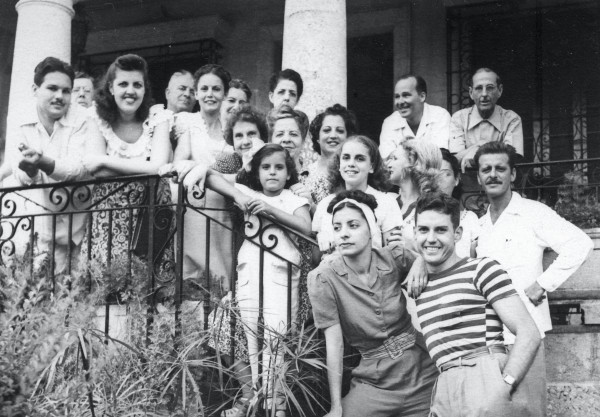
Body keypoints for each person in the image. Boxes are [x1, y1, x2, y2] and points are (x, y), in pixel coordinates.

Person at [474, 141, 594, 415]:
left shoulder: (533, 213)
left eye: (500, 168)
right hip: (488, 340)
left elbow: (580, 243)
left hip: (525, 336)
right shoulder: (479, 225)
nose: (493, 174)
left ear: (512, 174)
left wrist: (543, 284)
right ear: (479, 177)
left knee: (528, 411)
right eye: (486, 169)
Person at [201, 143, 311, 417]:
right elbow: (209, 175)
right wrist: (237, 194)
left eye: (279, 167)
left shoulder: (293, 198)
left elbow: (307, 227)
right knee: (249, 333)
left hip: (282, 273)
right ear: (257, 171)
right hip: (250, 271)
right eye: (265, 167)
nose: (272, 173)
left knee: (277, 336)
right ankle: (254, 401)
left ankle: (277, 405)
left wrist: (270, 211)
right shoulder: (248, 194)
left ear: (288, 174)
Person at [308, 190, 437, 417]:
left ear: (371, 229)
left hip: (421, 369)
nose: (344, 234)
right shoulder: (323, 278)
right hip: (375, 380)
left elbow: (440, 262)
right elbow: (335, 344)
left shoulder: (393, 257)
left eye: (353, 225)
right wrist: (335, 406)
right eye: (337, 228)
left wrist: (420, 262)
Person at [413, 191, 542, 416]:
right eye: (424, 229)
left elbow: (528, 332)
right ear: (415, 233)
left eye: (441, 230)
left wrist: (504, 385)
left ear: (457, 234)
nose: (431, 238)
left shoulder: (481, 269)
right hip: (444, 387)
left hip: (484, 377)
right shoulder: (420, 288)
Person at [5, 57, 101, 271]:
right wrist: (29, 171)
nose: (60, 96)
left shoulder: (84, 119)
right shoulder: (19, 121)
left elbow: (78, 168)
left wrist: (43, 163)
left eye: (66, 91)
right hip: (35, 225)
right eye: (52, 88)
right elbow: (19, 173)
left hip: (78, 227)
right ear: (35, 89)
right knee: (33, 291)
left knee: (75, 293)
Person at [81, 54, 173, 266]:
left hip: (150, 212)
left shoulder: (159, 117)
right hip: (109, 214)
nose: (130, 91)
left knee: (149, 280)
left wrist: (105, 161)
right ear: (111, 88)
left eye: (137, 85)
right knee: (107, 281)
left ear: (144, 89)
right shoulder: (97, 117)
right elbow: (97, 172)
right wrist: (144, 168)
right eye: (123, 84)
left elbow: (158, 166)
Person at [172, 64, 233, 285]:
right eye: (204, 88)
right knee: (195, 278)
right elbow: (179, 161)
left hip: (224, 209)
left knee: (224, 275)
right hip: (195, 207)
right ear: (196, 93)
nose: (210, 94)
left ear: (225, 94)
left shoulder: (232, 128)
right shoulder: (188, 123)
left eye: (216, 89)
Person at [313, 135, 402, 254]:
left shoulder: (386, 202)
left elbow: (392, 254)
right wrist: (321, 237)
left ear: (371, 166)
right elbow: (315, 257)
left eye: (360, 159)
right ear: (339, 165)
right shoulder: (325, 204)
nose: (351, 163)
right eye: (346, 158)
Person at [449, 68, 524, 171]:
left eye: (490, 88)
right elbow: (454, 161)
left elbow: (509, 159)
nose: (484, 94)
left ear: (500, 91)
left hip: (499, 184)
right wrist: (477, 146)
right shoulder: (459, 118)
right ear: (471, 93)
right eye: (479, 88)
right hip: (467, 185)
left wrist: (479, 148)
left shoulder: (512, 119)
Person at [386, 139, 442, 249]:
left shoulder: (435, 206)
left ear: (413, 162)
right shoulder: (388, 200)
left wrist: (411, 246)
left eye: (394, 158)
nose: (388, 164)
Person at [379, 74, 450, 159]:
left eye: (406, 95)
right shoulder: (389, 122)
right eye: (397, 96)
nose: (400, 102)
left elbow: (438, 155)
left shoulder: (439, 116)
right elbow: (387, 159)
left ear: (422, 96)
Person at [304, 104, 358, 205]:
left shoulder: (353, 172)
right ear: (317, 137)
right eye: (327, 130)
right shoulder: (306, 175)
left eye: (340, 131)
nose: (333, 135)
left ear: (348, 136)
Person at [436, 148, 480, 258]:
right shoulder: (416, 216)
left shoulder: (470, 219)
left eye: (445, 174)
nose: (438, 180)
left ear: (456, 179)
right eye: (433, 174)